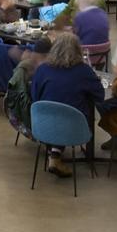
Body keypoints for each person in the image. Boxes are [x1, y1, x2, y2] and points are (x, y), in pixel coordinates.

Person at [30, 32, 105, 178]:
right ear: (78, 50)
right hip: (74, 129)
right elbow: (100, 95)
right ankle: (56, 156)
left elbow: (35, 97)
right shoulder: (84, 72)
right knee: (71, 110)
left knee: (58, 108)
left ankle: (55, 155)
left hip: (42, 126)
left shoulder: (42, 70)